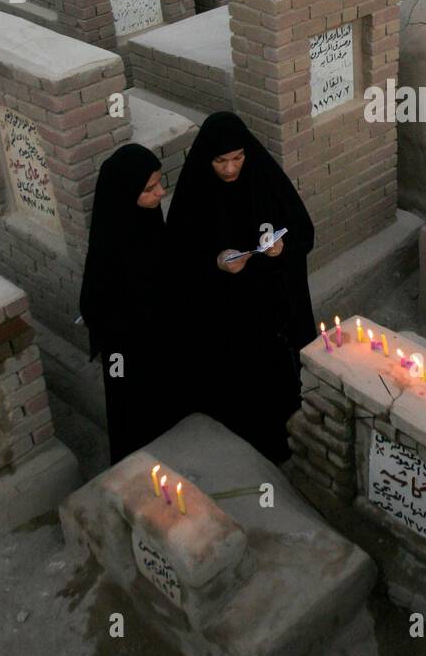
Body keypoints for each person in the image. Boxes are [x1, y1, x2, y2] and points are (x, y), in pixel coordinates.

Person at [166, 112, 315, 463]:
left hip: (271, 310)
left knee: (278, 387)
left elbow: (302, 232)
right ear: (207, 159)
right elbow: (177, 257)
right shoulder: (195, 194)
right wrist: (216, 262)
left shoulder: (264, 179)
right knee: (236, 389)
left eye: (237, 159)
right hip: (225, 315)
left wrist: (282, 249)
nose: (231, 169)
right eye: (221, 161)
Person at [80, 144, 182, 465]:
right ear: (126, 193)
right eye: (150, 188)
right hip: (130, 356)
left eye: (159, 182)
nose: (161, 192)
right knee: (136, 422)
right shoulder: (110, 243)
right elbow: (95, 306)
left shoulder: (148, 220)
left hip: (160, 345)